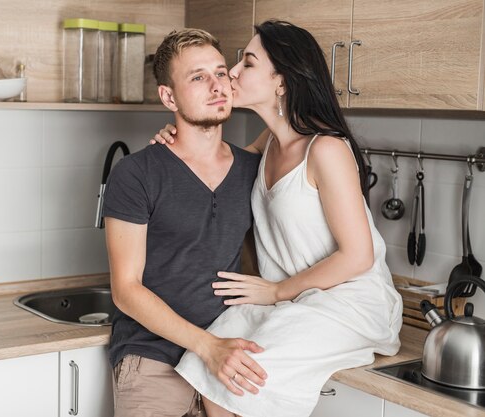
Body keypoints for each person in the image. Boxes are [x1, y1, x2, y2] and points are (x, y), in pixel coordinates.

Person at [152, 20, 403, 417]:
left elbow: (359, 257)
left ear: (281, 83)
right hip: (291, 302)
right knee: (210, 363)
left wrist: (276, 291)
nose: (231, 74)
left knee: (239, 378)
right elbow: (216, 161)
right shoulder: (269, 143)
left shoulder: (326, 150)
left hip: (346, 305)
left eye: (247, 64)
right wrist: (176, 138)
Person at [102, 28, 268, 417]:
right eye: (198, 77)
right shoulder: (136, 173)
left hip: (232, 358)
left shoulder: (253, 171)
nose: (217, 85)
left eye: (220, 72)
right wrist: (207, 347)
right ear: (168, 97)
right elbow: (126, 289)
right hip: (154, 359)